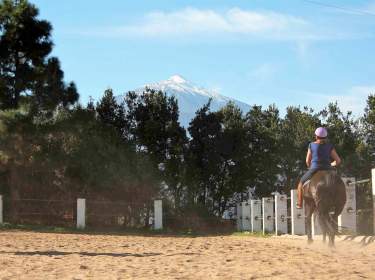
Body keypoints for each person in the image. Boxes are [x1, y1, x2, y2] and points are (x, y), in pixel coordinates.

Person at [296, 127, 341, 209]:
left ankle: (299, 203)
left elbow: (307, 161)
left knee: (300, 184)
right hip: (328, 169)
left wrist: (310, 167)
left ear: (316, 136)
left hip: (315, 168)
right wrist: (330, 164)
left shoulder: (311, 145)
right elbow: (338, 160)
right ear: (326, 137)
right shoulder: (329, 146)